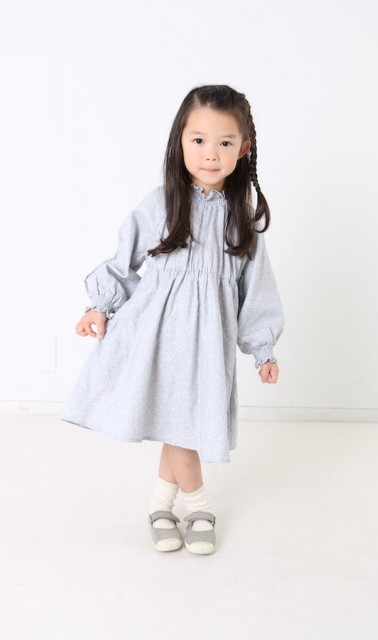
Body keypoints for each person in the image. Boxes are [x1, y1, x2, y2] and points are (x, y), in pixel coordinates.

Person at [62, 84, 284, 555]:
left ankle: (161, 506)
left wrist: (263, 348)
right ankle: (199, 506)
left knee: (181, 423)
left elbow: (256, 290)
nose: (211, 153)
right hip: (157, 336)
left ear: (243, 149)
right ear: (180, 140)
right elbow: (124, 259)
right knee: (183, 427)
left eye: (224, 142)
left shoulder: (241, 220)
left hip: (208, 343)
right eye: (198, 140)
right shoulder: (162, 203)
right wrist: (99, 306)